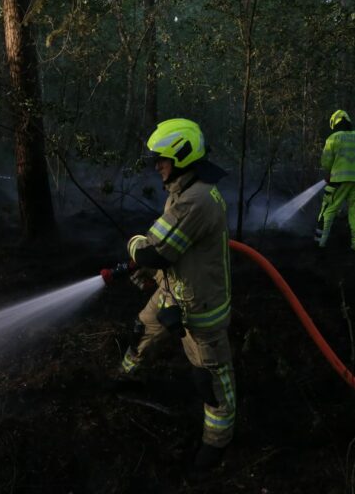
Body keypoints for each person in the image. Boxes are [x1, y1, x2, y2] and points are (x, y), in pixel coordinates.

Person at [120, 118, 235, 470]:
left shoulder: (196, 201)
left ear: (182, 158)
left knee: (211, 383)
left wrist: (135, 245)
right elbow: (174, 251)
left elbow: (154, 250)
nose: (157, 166)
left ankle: (214, 447)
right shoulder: (184, 192)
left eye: (162, 159)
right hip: (174, 294)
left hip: (200, 311)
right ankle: (125, 380)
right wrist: (153, 275)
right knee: (141, 330)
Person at [316, 110, 355, 251]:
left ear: (334, 123)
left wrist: (329, 172)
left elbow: (326, 161)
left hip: (338, 180)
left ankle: (319, 244)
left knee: (329, 210)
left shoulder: (333, 138)